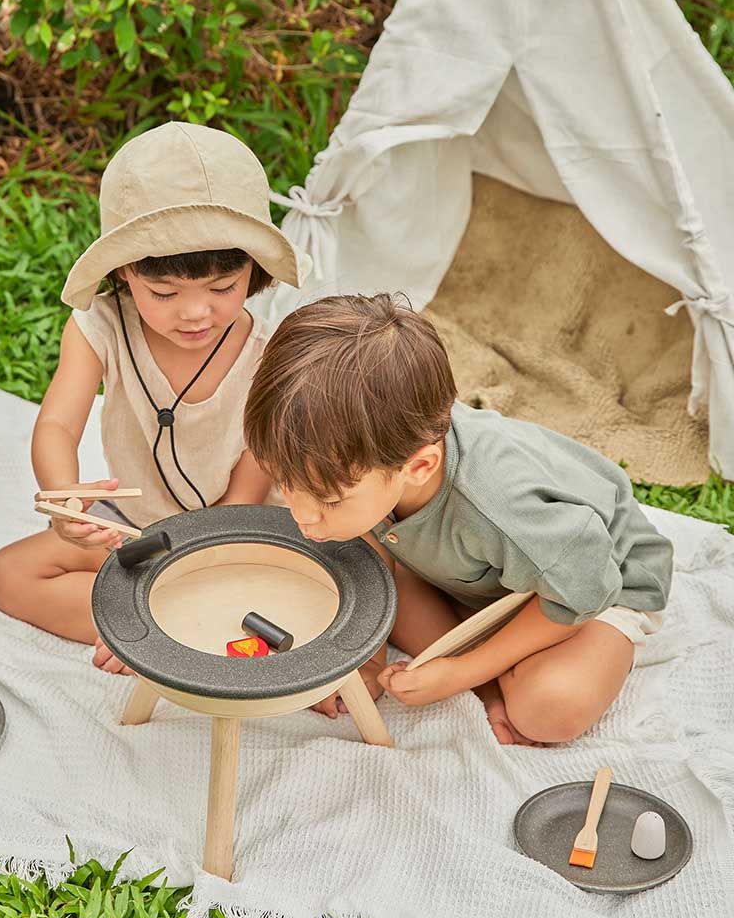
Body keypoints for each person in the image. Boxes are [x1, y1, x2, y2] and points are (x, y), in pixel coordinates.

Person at [242, 293, 673, 745]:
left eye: (328, 500)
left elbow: (586, 586)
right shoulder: (364, 457)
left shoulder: (499, 503)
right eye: (285, 484)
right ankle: (492, 681)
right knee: (367, 582)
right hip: (482, 578)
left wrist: (462, 670)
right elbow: (370, 549)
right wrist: (368, 661)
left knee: (549, 710)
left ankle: (496, 670)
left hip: (595, 586)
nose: (302, 516)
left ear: (420, 467)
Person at [0, 122, 309, 673]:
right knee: (7, 574)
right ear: (124, 273)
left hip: (234, 530)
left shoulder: (268, 350)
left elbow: (252, 480)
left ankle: (151, 627)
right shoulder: (99, 325)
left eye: (222, 288)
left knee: (300, 584)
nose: (195, 313)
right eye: (163, 292)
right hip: (134, 527)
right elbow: (58, 425)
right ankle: (168, 627)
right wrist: (63, 497)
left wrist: (197, 558)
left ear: (252, 270)